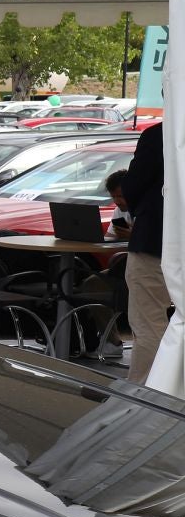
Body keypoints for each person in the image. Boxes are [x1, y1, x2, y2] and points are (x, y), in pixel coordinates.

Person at [121, 121, 170, 385]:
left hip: (156, 239)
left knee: (149, 325)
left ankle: (144, 396)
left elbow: (133, 185)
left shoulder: (160, 134)